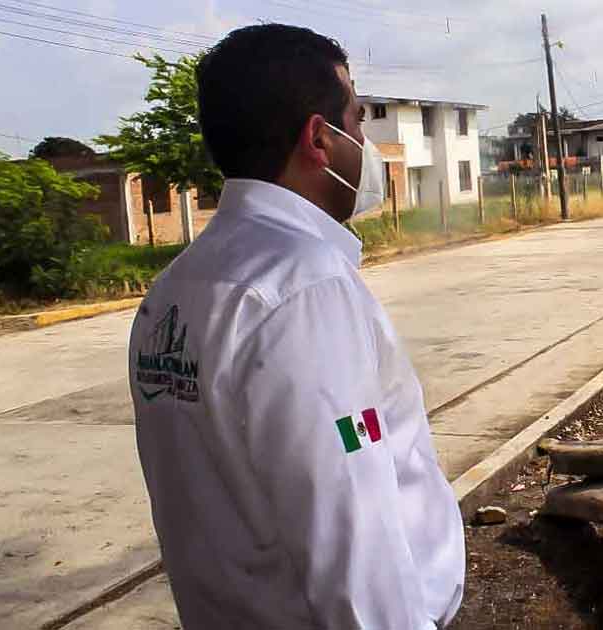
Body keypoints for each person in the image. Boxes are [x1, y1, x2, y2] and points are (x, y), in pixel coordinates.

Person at [128, 24, 464, 629]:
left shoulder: (177, 287)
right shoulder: (304, 290)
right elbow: (353, 542)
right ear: (319, 139)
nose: (364, 142)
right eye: (357, 122)